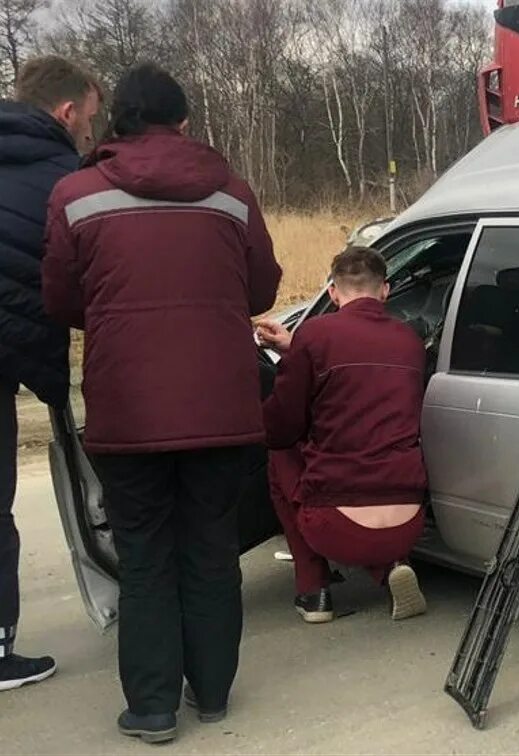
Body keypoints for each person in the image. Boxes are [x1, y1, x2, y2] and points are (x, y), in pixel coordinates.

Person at [42, 63, 281, 744]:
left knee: (145, 555)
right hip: (222, 407)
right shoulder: (231, 195)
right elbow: (260, 289)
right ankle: (212, 693)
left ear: (117, 119)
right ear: (182, 122)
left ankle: (150, 706)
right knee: (210, 547)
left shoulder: (75, 192)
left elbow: (61, 300)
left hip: (128, 410)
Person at [256, 246, 428, 626]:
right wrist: (294, 350)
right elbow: (362, 380)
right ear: (385, 290)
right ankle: (389, 567)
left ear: (332, 292)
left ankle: (313, 592)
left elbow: (282, 426)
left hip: (338, 527)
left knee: (280, 455)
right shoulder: (411, 342)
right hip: (409, 523)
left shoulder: (315, 334)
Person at [0, 56, 100, 693]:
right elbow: (92, 282)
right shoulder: (67, 179)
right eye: (90, 123)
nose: (91, 135)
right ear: (66, 113)